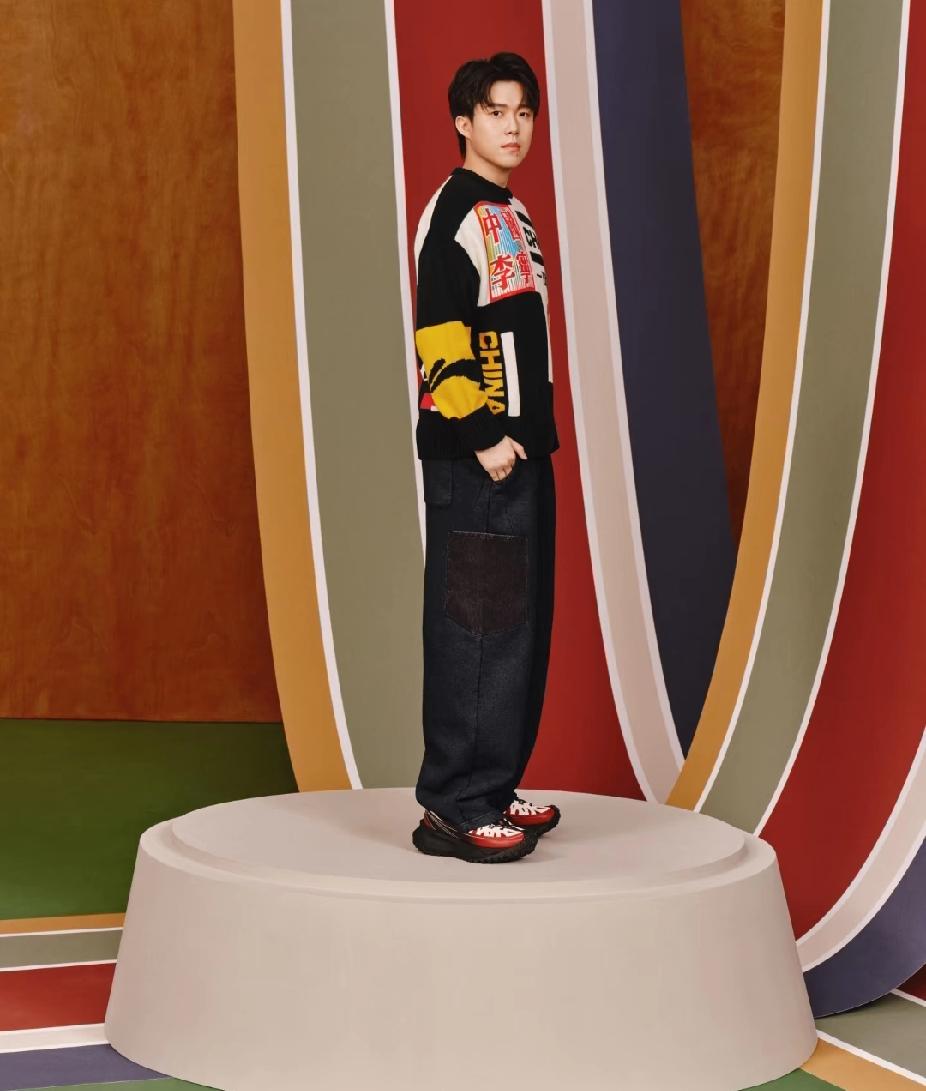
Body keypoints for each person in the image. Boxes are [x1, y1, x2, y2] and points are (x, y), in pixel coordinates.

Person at [410, 52, 561, 864]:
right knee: (475, 629)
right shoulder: (454, 212)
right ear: (463, 122)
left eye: (523, 112)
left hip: (522, 453)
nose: (512, 126)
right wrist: (482, 436)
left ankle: (493, 786)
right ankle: (452, 806)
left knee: (517, 629)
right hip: (481, 460)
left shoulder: (512, 210)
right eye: (496, 112)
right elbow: (439, 334)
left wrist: (525, 437)